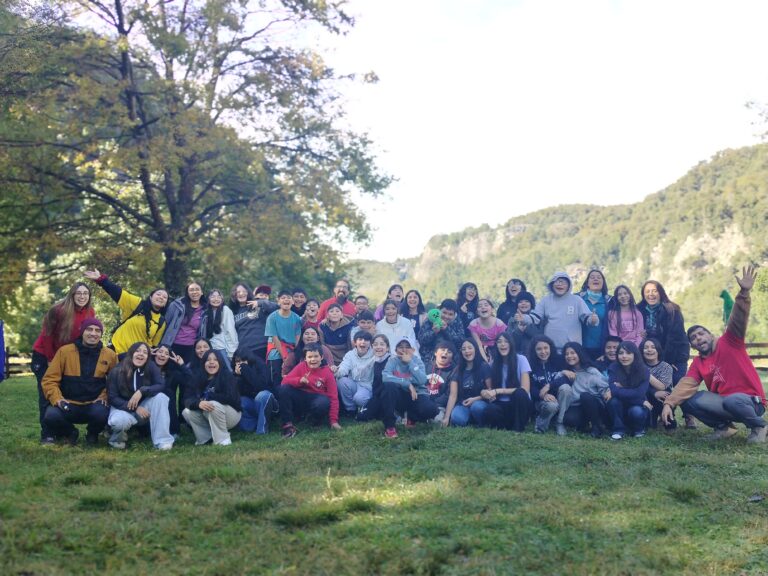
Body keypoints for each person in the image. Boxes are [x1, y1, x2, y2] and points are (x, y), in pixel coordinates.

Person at [661, 265, 767, 443]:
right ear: (693, 346)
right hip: (725, 402)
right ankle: (724, 428)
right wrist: (669, 403)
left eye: (701, 334)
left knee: (734, 400)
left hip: (751, 402)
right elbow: (686, 384)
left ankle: (759, 426)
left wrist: (743, 293)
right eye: (693, 338)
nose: (698, 338)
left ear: (711, 335)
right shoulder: (698, 363)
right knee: (687, 400)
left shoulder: (730, 341)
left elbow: (738, 319)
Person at [32, 282, 95, 444]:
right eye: (79, 293)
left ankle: (66, 431)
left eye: (85, 294)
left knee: (62, 393)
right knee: (47, 394)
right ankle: (47, 434)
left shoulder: (90, 312)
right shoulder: (58, 310)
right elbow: (47, 335)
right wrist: (51, 359)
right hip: (45, 356)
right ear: (72, 294)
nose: (82, 296)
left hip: (65, 358)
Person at [41, 318, 118, 446]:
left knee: (102, 413)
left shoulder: (110, 355)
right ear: (82, 332)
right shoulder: (64, 352)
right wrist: (57, 399)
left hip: (94, 405)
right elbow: (49, 380)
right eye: (89, 329)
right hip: (68, 404)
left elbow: (115, 381)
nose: (93, 333)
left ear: (101, 334)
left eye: (97, 331)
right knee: (51, 415)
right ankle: (71, 432)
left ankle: (92, 434)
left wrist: (104, 397)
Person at [84, 269, 168, 355]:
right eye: (158, 294)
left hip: (136, 358)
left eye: (165, 297)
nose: (161, 297)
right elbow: (117, 292)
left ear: (165, 303)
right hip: (116, 351)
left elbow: (154, 345)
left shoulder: (161, 322)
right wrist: (101, 280)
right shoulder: (137, 304)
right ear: (150, 297)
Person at [106, 342, 174, 450]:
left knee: (161, 397)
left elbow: (161, 385)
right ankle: (117, 440)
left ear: (148, 356)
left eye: (145, 352)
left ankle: (163, 441)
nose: (141, 354)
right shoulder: (117, 370)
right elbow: (112, 397)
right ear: (131, 353)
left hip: (143, 409)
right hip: (122, 408)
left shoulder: (150, 366)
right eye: (138, 351)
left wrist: (142, 390)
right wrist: (135, 407)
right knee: (119, 421)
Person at [523, 271, 596, 352]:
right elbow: (536, 317)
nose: (560, 284)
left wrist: (592, 320)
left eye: (563, 282)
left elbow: (587, 317)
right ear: (552, 285)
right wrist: (524, 318)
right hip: (551, 349)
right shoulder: (546, 300)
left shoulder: (577, 300)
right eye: (557, 281)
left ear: (569, 286)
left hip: (573, 349)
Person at [279, 344, 342, 437]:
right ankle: (287, 424)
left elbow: (333, 397)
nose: (313, 359)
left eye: (316, 356)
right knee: (284, 389)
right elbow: (285, 381)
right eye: (310, 357)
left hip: (317, 399)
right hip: (301, 398)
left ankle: (315, 422)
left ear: (321, 357)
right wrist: (299, 380)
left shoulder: (328, 373)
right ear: (305, 358)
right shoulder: (301, 366)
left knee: (323, 402)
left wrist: (334, 421)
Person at [182, 350, 242, 446]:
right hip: (208, 413)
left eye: (215, 360)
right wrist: (198, 403)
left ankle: (223, 440)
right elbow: (187, 398)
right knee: (187, 412)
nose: (211, 362)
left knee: (212, 405)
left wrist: (208, 397)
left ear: (220, 362)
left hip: (231, 414)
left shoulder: (227, 376)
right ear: (203, 363)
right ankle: (205, 438)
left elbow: (231, 398)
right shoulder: (197, 378)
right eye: (208, 360)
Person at [638, 280, 690, 386]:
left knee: (672, 388)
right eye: (647, 291)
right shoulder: (638, 310)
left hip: (674, 357)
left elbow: (676, 337)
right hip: (649, 357)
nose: (651, 294)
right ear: (643, 294)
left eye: (654, 291)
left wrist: (668, 362)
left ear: (660, 293)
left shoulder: (671, 310)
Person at [481, 332, 532, 431]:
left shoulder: (521, 359)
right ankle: (504, 427)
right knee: (490, 410)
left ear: (511, 344)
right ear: (496, 346)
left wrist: (498, 391)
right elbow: (489, 389)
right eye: (499, 342)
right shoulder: (493, 364)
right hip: (501, 404)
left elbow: (525, 389)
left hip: (518, 403)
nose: (503, 344)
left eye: (506, 341)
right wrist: (484, 392)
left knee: (520, 393)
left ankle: (518, 429)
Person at [383, 336, 438, 425]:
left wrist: (410, 362)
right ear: (396, 350)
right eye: (400, 347)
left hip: (417, 394)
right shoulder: (392, 361)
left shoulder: (418, 361)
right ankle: (391, 423)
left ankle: (412, 416)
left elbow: (422, 381)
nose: (404, 350)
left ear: (413, 350)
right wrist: (407, 384)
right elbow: (385, 377)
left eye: (407, 347)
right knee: (389, 386)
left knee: (430, 410)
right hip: (400, 395)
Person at [560, 342, 609, 438]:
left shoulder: (591, 371)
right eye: (566, 354)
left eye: (573, 353)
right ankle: (585, 425)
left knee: (585, 396)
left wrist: (608, 393)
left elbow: (605, 387)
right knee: (569, 419)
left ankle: (597, 427)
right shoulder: (566, 372)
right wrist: (563, 372)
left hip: (594, 404)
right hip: (577, 406)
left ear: (580, 353)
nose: (569, 356)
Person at [356, 334, 399, 437]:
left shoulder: (393, 360)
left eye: (382, 344)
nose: (378, 347)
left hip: (390, 395)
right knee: (361, 417)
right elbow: (359, 375)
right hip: (377, 396)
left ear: (387, 347)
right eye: (375, 344)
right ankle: (381, 412)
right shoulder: (373, 360)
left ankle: (391, 424)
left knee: (389, 389)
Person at [606, 342, 651, 440]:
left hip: (637, 407)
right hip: (625, 405)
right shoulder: (613, 368)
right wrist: (640, 400)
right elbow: (613, 390)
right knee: (613, 402)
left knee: (636, 411)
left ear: (635, 354)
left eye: (628, 353)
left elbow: (640, 393)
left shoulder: (644, 371)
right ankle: (618, 430)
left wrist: (621, 389)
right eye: (621, 353)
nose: (624, 356)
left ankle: (638, 430)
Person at [528, 334, 571, 435]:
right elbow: (530, 386)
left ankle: (559, 422)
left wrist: (549, 386)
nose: (543, 352)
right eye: (539, 349)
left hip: (560, 397)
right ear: (534, 351)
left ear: (550, 347)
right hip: (541, 400)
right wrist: (542, 394)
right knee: (552, 406)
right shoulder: (530, 364)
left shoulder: (559, 360)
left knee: (566, 388)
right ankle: (540, 425)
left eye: (546, 348)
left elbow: (568, 379)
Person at [443, 339, 492, 427]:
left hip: (480, 401)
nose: (467, 351)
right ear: (461, 352)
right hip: (463, 404)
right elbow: (452, 395)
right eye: (464, 349)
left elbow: (490, 390)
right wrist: (446, 417)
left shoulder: (484, 366)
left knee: (477, 407)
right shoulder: (458, 370)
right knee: (456, 417)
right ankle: (472, 422)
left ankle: (482, 422)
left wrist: (476, 399)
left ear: (475, 349)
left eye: (470, 348)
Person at [160, 281, 208, 363]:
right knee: (171, 372)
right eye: (191, 290)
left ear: (202, 292)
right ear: (187, 293)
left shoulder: (205, 309)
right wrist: (162, 344)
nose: (194, 292)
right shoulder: (176, 305)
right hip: (172, 344)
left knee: (187, 372)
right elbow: (165, 324)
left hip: (192, 347)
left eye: (197, 289)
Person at [228, 282, 278, 361]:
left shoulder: (257, 304)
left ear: (248, 293)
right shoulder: (232, 311)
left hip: (262, 347)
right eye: (238, 292)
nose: (241, 293)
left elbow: (277, 307)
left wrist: (260, 303)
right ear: (234, 295)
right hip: (244, 351)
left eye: (244, 291)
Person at [264, 290, 303, 387]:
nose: (286, 300)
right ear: (278, 301)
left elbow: (297, 335)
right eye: (283, 298)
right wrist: (284, 357)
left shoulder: (296, 318)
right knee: (276, 379)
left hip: (291, 350)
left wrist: (291, 354)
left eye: (289, 298)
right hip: (276, 350)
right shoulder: (272, 317)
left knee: (291, 378)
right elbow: (274, 338)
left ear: (293, 301)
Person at [234, 348, 275, 435]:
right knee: (240, 400)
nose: (240, 364)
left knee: (263, 395)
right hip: (250, 403)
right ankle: (251, 426)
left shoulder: (260, 365)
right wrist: (238, 377)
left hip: (266, 400)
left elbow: (261, 386)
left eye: (243, 360)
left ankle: (262, 430)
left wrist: (246, 370)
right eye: (238, 361)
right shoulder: (236, 372)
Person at [151, 344, 189, 436]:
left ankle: (173, 431)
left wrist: (182, 365)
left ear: (169, 358)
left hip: (167, 407)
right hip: (148, 406)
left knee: (168, 392)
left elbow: (190, 381)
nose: (162, 355)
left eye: (166, 353)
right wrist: (147, 354)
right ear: (154, 353)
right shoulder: (146, 369)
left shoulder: (173, 374)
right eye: (160, 352)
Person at [337, 331, 376, 413]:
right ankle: (351, 410)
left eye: (366, 340)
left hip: (367, 386)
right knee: (342, 382)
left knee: (359, 399)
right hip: (353, 384)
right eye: (360, 339)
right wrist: (337, 371)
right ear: (355, 343)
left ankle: (365, 409)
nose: (363, 342)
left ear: (370, 343)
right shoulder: (350, 354)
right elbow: (344, 367)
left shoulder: (375, 355)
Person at [641, 338, 676, 429]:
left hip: (662, 398)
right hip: (644, 396)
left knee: (671, 425)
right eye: (646, 347)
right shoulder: (638, 366)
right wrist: (653, 392)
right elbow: (636, 386)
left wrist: (644, 371)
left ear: (658, 350)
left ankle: (666, 418)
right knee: (648, 426)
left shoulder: (666, 367)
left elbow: (661, 386)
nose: (649, 350)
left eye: (653, 347)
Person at [199, 288, 238, 367]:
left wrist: (231, 353)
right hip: (209, 349)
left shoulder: (225, 310)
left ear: (222, 299)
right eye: (213, 296)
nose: (216, 299)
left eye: (219, 297)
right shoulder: (206, 312)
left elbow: (230, 332)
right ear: (208, 299)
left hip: (222, 349)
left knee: (228, 372)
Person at [578, 269, 611, 360]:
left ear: (603, 283)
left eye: (599, 277)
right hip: (580, 348)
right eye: (592, 277)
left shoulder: (610, 301)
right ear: (587, 282)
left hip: (602, 349)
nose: (595, 279)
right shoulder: (578, 299)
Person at [468, 298, 507, 363]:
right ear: (477, 312)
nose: (483, 307)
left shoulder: (499, 324)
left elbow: (503, 343)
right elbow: (479, 345)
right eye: (480, 306)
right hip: (481, 351)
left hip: (497, 349)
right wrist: (486, 362)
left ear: (492, 309)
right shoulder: (474, 324)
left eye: (486, 305)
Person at [509, 292, 541, 357]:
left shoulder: (537, 318)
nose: (523, 303)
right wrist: (519, 331)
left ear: (531, 304)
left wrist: (526, 326)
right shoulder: (512, 320)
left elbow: (539, 336)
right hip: (517, 356)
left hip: (535, 355)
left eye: (527, 301)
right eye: (520, 302)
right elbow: (510, 341)